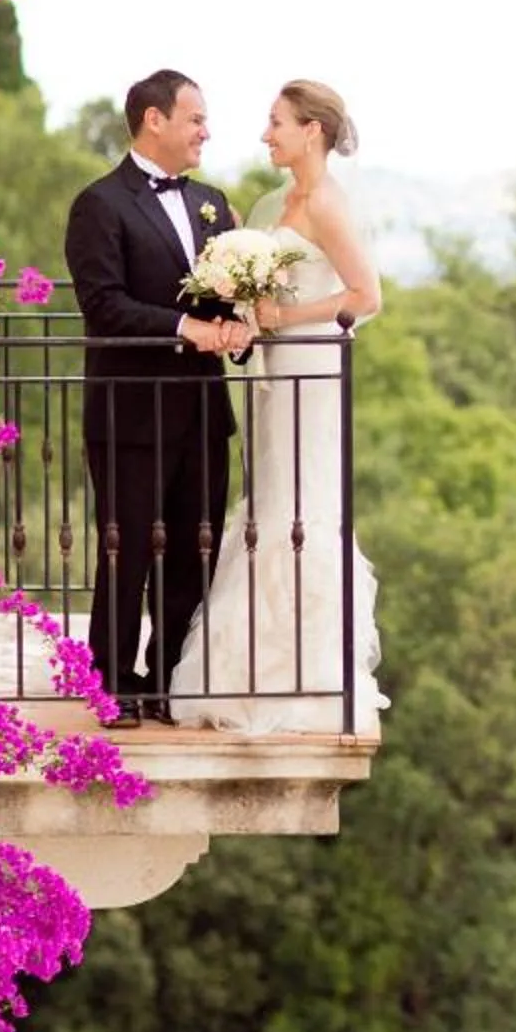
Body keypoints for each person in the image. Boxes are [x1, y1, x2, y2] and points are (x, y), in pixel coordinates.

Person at [170, 80, 387, 734]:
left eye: (277, 123)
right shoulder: (276, 201)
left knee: (303, 500)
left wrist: (285, 314)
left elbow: (366, 296)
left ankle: (306, 668)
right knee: (269, 496)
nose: (267, 134)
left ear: (311, 131)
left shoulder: (325, 204)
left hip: (311, 365)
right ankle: (252, 664)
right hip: (273, 367)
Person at [63, 69, 251, 727]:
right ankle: (112, 684)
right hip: (130, 414)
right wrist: (184, 328)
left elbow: (222, 300)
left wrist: (238, 324)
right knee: (129, 549)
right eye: (195, 118)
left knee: (193, 551)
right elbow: (104, 306)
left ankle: (171, 681)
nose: (206, 131)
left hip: (201, 411)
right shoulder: (99, 204)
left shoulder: (212, 202)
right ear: (155, 121)